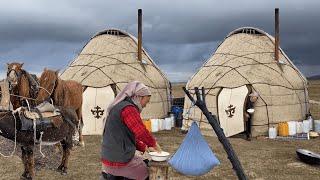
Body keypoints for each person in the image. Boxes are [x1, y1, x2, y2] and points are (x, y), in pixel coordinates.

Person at [101, 81, 162, 180]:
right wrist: (154, 144)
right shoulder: (128, 109)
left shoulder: (120, 106)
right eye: (146, 101)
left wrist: (143, 147)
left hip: (109, 157)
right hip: (118, 161)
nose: (145, 105)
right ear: (139, 97)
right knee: (146, 173)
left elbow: (125, 136)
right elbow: (141, 131)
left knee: (142, 162)